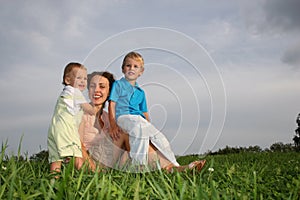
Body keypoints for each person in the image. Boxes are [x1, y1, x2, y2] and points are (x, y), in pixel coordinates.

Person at [108, 52, 206, 170]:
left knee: (160, 138)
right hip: (124, 117)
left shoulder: (141, 92)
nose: (131, 69)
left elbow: (144, 112)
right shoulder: (118, 84)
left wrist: (149, 126)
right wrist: (113, 124)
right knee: (140, 131)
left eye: (135, 66)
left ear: (141, 72)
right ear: (123, 69)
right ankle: (138, 165)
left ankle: (176, 166)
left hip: (139, 120)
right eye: (128, 66)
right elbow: (112, 104)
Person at [47, 62, 95, 174]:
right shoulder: (75, 92)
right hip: (66, 129)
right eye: (79, 78)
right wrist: (95, 107)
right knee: (77, 154)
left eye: (85, 78)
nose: (83, 81)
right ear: (68, 80)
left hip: (54, 129)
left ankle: (54, 180)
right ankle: (83, 177)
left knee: (56, 158)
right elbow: (90, 110)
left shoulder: (65, 92)